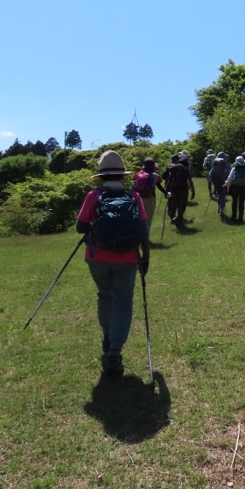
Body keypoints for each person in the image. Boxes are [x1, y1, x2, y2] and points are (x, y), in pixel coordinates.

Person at [75, 150, 149, 376]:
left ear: (101, 175)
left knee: (104, 295)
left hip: (97, 256)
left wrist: (95, 228)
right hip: (128, 257)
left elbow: (80, 227)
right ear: (122, 175)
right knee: (123, 301)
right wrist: (145, 257)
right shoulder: (134, 196)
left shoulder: (93, 196)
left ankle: (107, 337)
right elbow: (143, 230)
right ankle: (115, 351)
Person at [131, 157, 168, 237]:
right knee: (148, 218)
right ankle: (145, 237)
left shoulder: (138, 174)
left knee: (139, 217)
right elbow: (159, 185)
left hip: (138, 198)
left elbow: (133, 184)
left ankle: (137, 235)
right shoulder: (155, 175)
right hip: (151, 197)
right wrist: (166, 193)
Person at [164, 153, 195, 227]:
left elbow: (169, 179)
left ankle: (174, 218)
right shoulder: (184, 168)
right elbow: (190, 180)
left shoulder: (171, 167)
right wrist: (193, 191)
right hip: (184, 188)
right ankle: (179, 218)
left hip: (174, 188)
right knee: (182, 205)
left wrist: (166, 190)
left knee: (173, 204)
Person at [224, 155, 245, 224]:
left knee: (234, 202)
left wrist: (227, 183)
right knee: (241, 203)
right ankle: (240, 218)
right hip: (244, 187)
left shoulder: (234, 168)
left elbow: (230, 177)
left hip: (235, 186)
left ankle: (233, 217)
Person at [209, 151, 232, 220]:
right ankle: (221, 209)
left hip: (216, 182)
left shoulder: (215, 164)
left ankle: (219, 207)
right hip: (224, 182)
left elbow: (210, 173)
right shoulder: (226, 164)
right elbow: (230, 171)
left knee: (219, 195)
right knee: (223, 195)